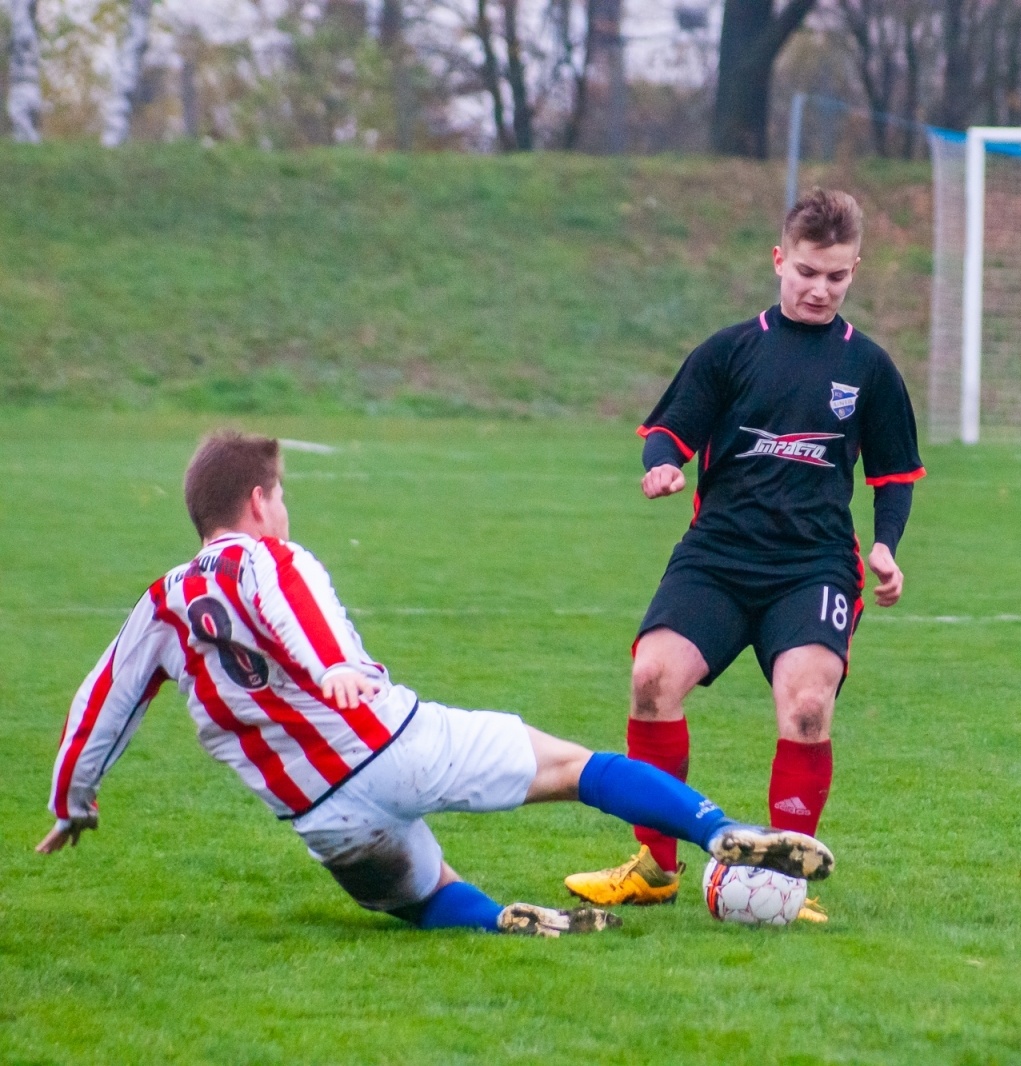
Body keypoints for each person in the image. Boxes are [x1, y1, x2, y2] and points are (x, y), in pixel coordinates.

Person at [38, 431, 833, 936]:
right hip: (392, 744)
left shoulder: (161, 604)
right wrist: (337, 668)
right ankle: (718, 831)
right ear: (257, 501)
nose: (283, 510)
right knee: (575, 768)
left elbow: (102, 702)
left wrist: (74, 799)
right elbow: (292, 607)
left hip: (323, 817)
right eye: (280, 497)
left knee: (421, 895)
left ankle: (495, 922)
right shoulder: (267, 557)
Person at [562, 189, 924, 921]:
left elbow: (894, 476)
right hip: (719, 557)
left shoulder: (869, 368)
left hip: (814, 566)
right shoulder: (730, 351)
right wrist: (662, 467)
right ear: (779, 260)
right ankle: (655, 866)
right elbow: (671, 431)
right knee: (652, 679)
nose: (820, 289)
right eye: (807, 272)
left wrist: (886, 547)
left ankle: (785, 883)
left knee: (809, 706)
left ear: (855, 271)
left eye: (837, 276)